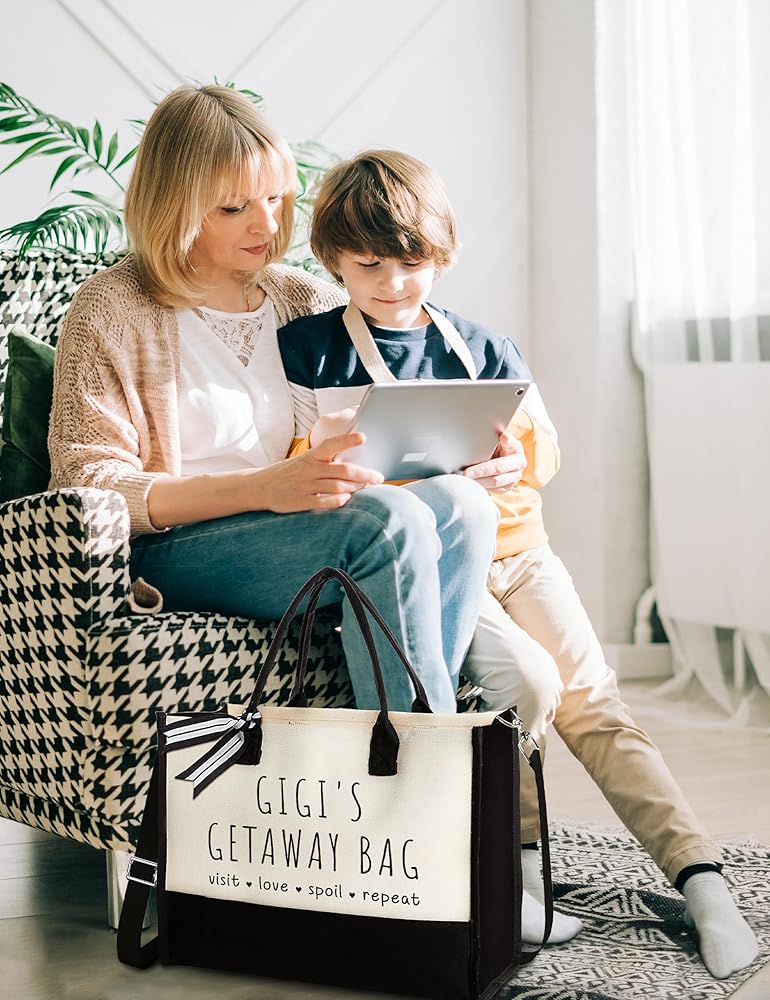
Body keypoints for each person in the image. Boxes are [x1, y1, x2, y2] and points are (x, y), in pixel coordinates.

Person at [276, 148, 759, 977]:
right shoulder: (308, 352)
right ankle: (521, 875)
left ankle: (701, 879)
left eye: (412, 262)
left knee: (597, 704)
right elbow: (297, 473)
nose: (394, 282)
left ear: (443, 251)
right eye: (369, 265)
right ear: (332, 261)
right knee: (529, 689)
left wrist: (512, 460)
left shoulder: (483, 347)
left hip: (522, 553)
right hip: (430, 564)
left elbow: (545, 454)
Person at [47, 86, 502, 722]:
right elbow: (88, 484)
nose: (265, 225)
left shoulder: (306, 299)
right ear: (176, 204)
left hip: (307, 527)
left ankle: (414, 741)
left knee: (464, 506)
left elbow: (384, 420)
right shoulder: (112, 307)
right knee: (385, 522)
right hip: (174, 549)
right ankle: (418, 764)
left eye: (275, 198)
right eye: (234, 207)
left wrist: (477, 458)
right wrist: (265, 487)